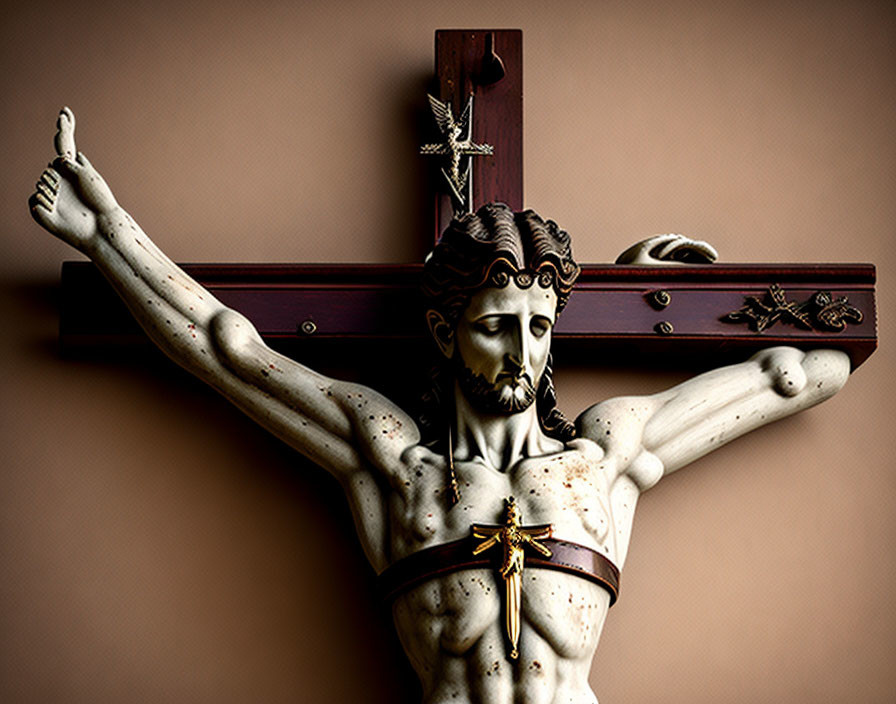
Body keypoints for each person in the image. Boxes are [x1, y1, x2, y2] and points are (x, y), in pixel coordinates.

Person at [30, 108, 850, 704]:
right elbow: (226, 348)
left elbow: (806, 373)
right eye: (496, 328)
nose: (523, 352)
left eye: (539, 326)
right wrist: (106, 231)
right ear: (445, 331)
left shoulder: (603, 457)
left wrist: (667, 299)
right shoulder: (393, 462)